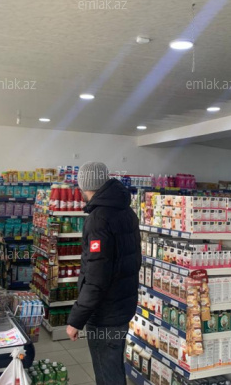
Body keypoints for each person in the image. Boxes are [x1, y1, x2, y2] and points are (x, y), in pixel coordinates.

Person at [66, 162, 141, 385]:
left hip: (105, 314)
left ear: (84, 185)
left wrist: (76, 320)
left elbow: (96, 277)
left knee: (107, 373)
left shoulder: (98, 219)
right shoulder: (126, 211)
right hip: (122, 307)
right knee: (113, 367)